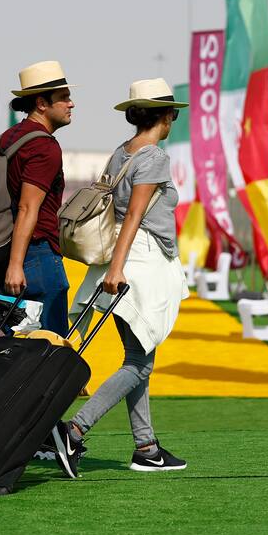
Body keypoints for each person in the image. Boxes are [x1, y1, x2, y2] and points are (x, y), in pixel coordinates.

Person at [52, 78, 190, 477]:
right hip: (137, 262)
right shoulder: (155, 157)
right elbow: (134, 216)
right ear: (164, 116)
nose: (174, 119)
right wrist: (118, 269)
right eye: (173, 113)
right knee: (140, 364)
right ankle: (75, 430)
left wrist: (112, 265)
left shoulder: (120, 153)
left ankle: (146, 447)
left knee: (137, 357)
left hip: (118, 259)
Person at [0, 60, 73, 335]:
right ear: (42, 103)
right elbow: (28, 207)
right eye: (64, 97)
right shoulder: (44, 146)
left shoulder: (6, 139)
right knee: (51, 352)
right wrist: (17, 266)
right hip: (33, 257)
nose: (71, 104)